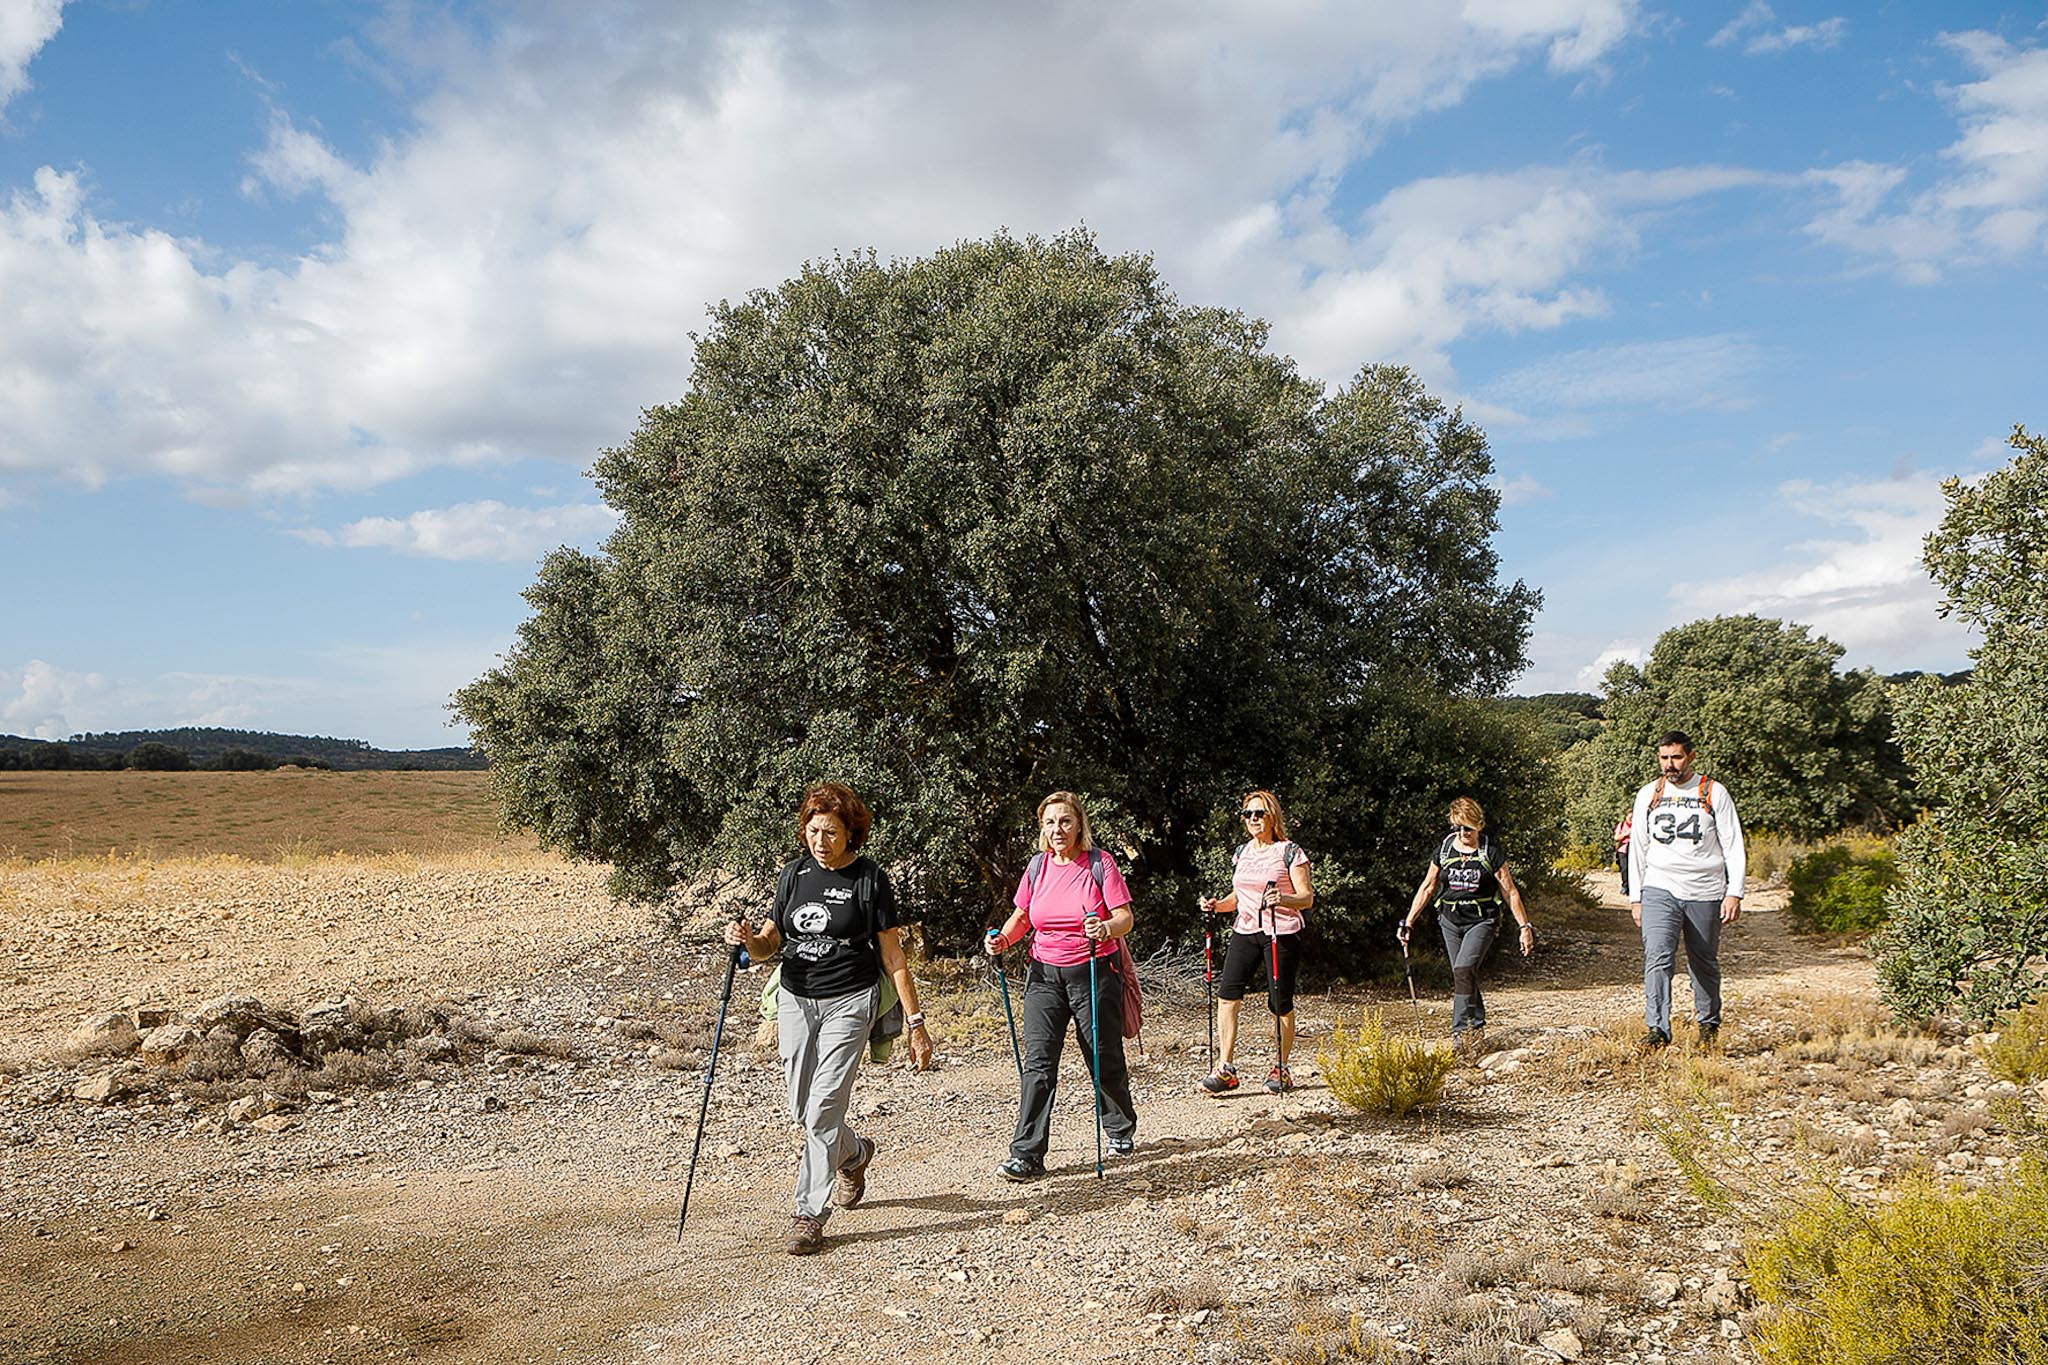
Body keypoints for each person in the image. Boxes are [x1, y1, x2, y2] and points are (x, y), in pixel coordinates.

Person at [725, 781, 933, 1255]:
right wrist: (745, 939)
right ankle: (856, 1153)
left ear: (850, 834)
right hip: (796, 998)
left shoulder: (869, 880)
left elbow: (894, 955)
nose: (820, 841)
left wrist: (916, 1024)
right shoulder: (794, 876)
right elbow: (769, 944)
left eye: (831, 833)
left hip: (850, 1000)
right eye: (813, 831)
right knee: (805, 1109)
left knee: (822, 1110)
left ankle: (809, 1213)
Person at [984, 791, 1139, 1180]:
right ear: (1042, 827)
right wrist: (1002, 940)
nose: (1058, 830)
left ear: (1079, 825)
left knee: (1102, 1056)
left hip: (1093, 971)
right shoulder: (1038, 867)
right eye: (1051, 822)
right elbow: (1021, 917)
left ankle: (1119, 1127)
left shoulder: (1100, 864)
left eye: (1066, 821)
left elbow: (1125, 918)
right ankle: (1027, 1154)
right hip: (1043, 975)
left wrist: (1104, 927)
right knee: (1037, 1066)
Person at [1628, 731, 1744, 1049]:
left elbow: (1734, 844)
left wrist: (1735, 891)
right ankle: (1657, 1029)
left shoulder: (1714, 792)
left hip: (1705, 890)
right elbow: (1637, 847)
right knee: (1657, 958)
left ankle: (1708, 1024)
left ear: (1690, 757)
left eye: (1676, 757)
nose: (1670, 765)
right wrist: (1636, 897)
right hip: (1659, 888)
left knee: (1703, 960)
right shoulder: (1648, 795)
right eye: (1664, 758)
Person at [1197, 790, 1315, 1094]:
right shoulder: (1242, 852)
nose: (1252, 819)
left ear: (1272, 816)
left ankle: (1282, 1067)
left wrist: (1283, 898)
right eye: (1247, 814)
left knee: (1280, 1002)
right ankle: (1225, 1068)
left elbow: (1306, 897)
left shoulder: (1290, 851)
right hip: (1246, 929)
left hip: (1282, 930)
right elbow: (1240, 897)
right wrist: (1217, 905)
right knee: (1227, 994)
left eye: (1259, 813)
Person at [1397, 797, 1533, 1059]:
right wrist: (1410, 920)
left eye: (1467, 828)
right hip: (1450, 921)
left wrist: (1524, 927)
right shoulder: (1446, 849)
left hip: (1482, 920)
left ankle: (1460, 1034)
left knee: (1463, 969)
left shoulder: (1490, 851)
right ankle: (1477, 1024)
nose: (1462, 833)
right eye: (1456, 828)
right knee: (1463, 974)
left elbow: (1510, 891)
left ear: (1479, 825)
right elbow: (1428, 886)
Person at [1615, 813, 1633, 896]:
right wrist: (1626, 834)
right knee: (1624, 868)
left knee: (1633, 869)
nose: (1631, 819)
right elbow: (1616, 837)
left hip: (1633, 850)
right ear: (1626, 817)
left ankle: (1632, 887)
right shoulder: (1621, 825)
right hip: (1623, 850)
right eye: (1630, 817)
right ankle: (1625, 886)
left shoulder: (1637, 825)